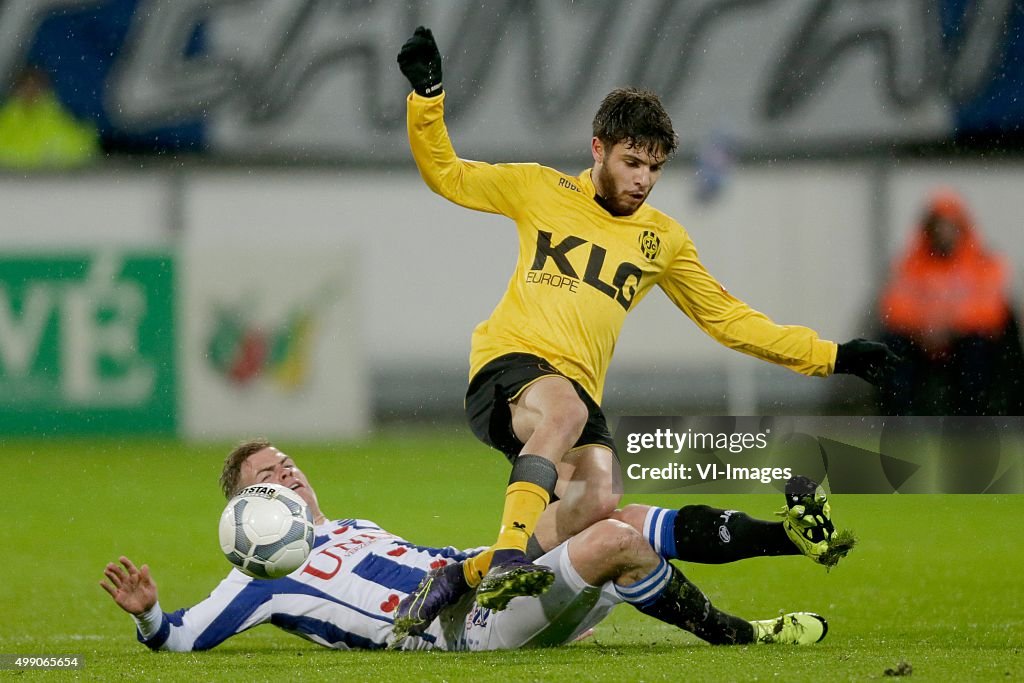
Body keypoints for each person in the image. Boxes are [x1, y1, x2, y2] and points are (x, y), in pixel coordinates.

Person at [393, 26, 893, 626]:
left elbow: (729, 320)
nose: (642, 179)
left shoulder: (664, 240)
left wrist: (831, 355)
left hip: (576, 390)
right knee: (565, 415)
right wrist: (428, 97)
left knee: (598, 504)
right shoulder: (538, 188)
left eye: (654, 168)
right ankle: (504, 561)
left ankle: (462, 574)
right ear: (598, 148)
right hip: (510, 366)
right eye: (632, 162)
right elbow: (447, 173)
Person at [100, 440, 844, 652]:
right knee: (615, 539)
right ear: (250, 504)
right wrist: (148, 613)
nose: (288, 469)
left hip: (482, 579)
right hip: (466, 629)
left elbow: (437, 561)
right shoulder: (262, 575)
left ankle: (791, 538)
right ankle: (745, 636)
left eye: (286, 460)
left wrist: (490, 559)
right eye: (268, 473)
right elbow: (179, 638)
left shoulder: (350, 525)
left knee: (608, 501)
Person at [878, 189, 1023, 415]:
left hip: (963, 342)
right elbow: (894, 308)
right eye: (938, 225)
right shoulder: (910, 264)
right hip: (921, 342)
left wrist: (951, 325)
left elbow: (992, 311)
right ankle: (899, 421)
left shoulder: (982, 262)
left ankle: (971, 419)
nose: (944, 233)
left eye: (950, 225)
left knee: (977, 349)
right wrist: (925, 328)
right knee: (892, 346)